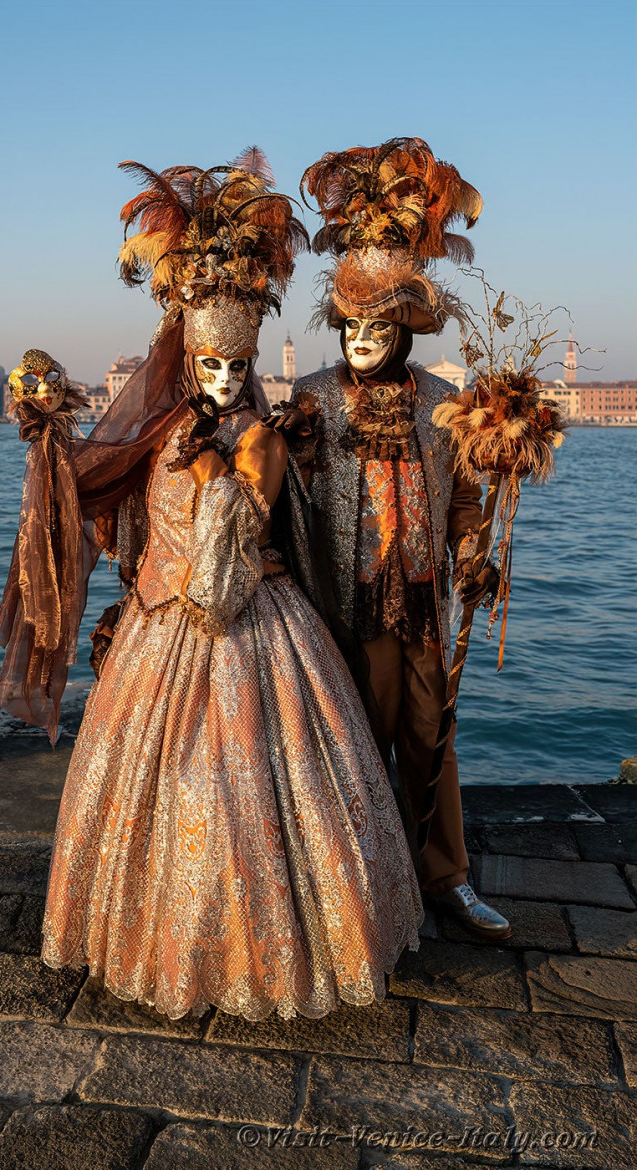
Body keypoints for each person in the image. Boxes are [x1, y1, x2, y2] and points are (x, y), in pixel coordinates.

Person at [0, 151, 423, 1022]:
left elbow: (231, 562)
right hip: (161, 624)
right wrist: (46, 433)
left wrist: (221, 462)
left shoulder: (259, 442)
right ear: (189, 362)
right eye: (211, 368)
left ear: (250, 362)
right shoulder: (157, 435)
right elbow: (88, 481)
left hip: (247, 626)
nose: (227, 382)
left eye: (238, 368)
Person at [274, 138, 510, 940]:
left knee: (431, 735)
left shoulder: (444, 404)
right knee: (357, 743)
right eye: (351, 327)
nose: (362, 340)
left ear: (404, 327)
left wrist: (476, 556)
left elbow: (464, 500)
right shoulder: (309, 399)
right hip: (346, 604)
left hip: (423, 601)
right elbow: (280, 496)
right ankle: (366, 889)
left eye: (379, 326)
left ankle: (446, 876)